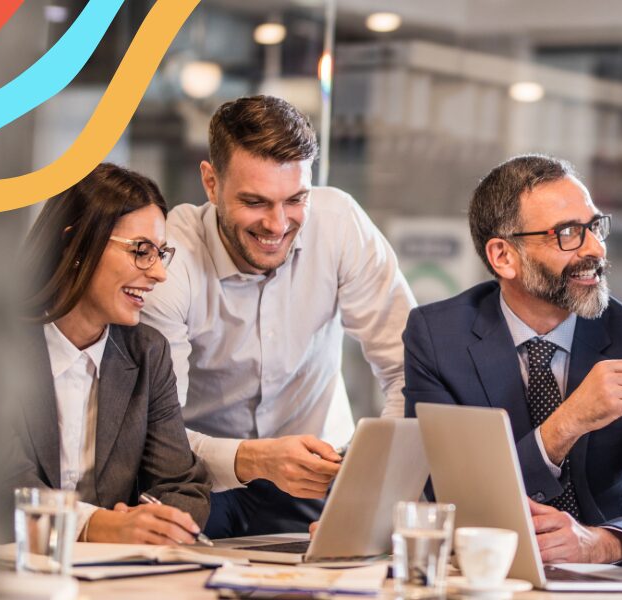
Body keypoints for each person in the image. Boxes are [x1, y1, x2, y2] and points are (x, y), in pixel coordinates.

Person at [140, 95, 416, 537]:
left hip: (323, 483)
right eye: (255, 202)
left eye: (295, 200)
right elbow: (155, 433)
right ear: (211, 184)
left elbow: (410, 371)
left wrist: (369, 479)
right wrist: (254, 459)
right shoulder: (169, 262)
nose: (277, 223)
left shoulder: (340, 222)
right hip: (200, 483)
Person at [403, 155, 622, 566]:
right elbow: (449, 503)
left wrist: (598, 543)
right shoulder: (437, 337)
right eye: (569, 234)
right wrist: (566, 424)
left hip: (606, 584)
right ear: (504, 256)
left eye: (594, 227)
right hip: (487, 577)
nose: (595, 248)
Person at [8, 163, 210, 544]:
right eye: (141, 251)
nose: (159, 274)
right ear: (76, 245)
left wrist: (155, 522)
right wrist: (98, 526)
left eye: (160, 253)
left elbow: (184, 486)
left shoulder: (148, 353)